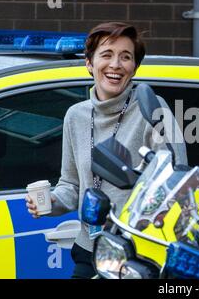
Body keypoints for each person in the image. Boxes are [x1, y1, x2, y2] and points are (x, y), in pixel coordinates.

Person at [25, 22, 187, 278]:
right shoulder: (75, 116)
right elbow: (72, 184)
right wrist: (52, 202)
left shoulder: (154, 109)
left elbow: (177, 180)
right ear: (89, 63)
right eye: (107, 55)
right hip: (88, 249)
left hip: (136, 255)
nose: (116, 65)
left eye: (126, 57)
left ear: (134, 67)